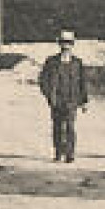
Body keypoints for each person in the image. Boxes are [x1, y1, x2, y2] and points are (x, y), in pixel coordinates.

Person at [38, 28, 89, 163]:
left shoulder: (77, 63)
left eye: (69, 43)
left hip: (72, 99)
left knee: (70, 126)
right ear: (59, 44)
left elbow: (83, 82)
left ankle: (70, 153)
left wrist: (84, 101)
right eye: (64, 42)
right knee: (57, 126)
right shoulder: (51, 62)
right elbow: (43, 80)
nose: (66, 46)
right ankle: (58, 151)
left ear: (72, 44)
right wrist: (49, 95)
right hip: (57, 99)